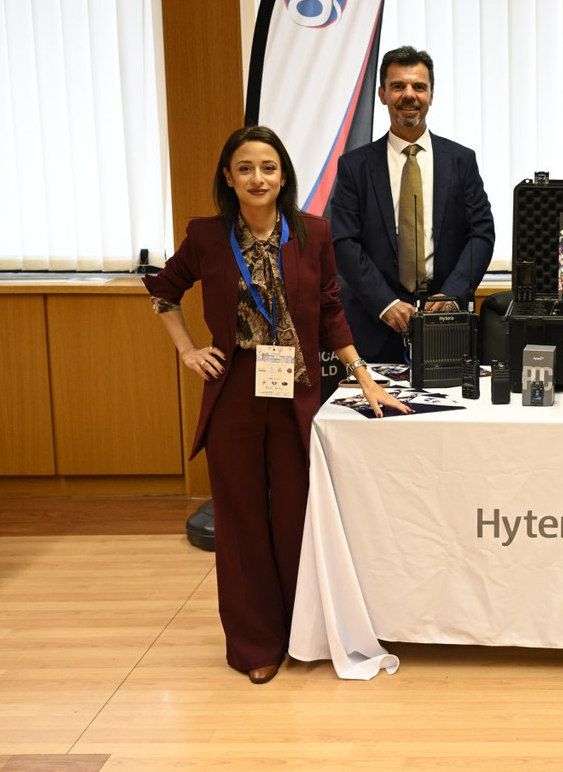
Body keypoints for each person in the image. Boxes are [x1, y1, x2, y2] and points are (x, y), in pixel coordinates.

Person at [145, 126, 409, 684]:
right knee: (240, 521)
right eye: (245, 168)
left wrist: (363, 377)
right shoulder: (207, 236)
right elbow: (163, 292)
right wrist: (188, 350)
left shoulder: (313, 232)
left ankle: (302, 633)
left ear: (283, 174)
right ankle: (254, 644)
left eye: (267, 167)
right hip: (235, 389)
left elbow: (331, 309)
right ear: (228, 177)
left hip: (298, 390)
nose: (257, 178)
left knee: (296, 518)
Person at [329, 45, 496, 362]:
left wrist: (452, 293)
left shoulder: (461, 161)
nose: (409, 95)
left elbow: (481, 234)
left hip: (445, 322)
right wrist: (385, 303)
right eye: (398, 86)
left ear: (431, 95)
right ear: (382, 94)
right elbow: (344, 241)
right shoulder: (354, 166)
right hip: (374, 323)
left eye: (419, 86)